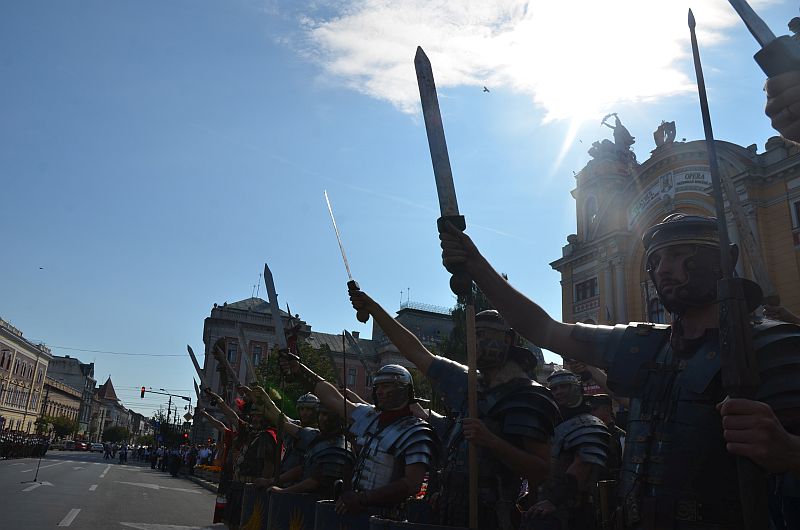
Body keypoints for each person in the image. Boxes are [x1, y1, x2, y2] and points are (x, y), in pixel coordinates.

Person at [439, 213, 800, 529]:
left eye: (678, 254)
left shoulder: (772, 343)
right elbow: (543, 328)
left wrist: (791, 452)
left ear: (724, 259)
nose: (663, 269)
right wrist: (477, 265)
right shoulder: (643, 344)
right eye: (655, 260)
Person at [349, 288, 560, 529]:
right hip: (451, 511)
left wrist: (491, 441)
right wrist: (375, 308)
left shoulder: (527, 395)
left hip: (493, 517)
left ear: (508, 339)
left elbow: (541, 471)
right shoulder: (469, 383)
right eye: (474, 335)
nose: (477, 343)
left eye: (484, 335)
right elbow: (417, 353)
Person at [279, 355, 437, 520]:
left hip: (387, 517)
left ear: (403, 389)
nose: (379, 391)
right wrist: (300, 370)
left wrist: (364, 498)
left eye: (386, 386)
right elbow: (333, 399)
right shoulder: (371, 417)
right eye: (378, 387)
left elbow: (412, 484)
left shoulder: (416, 431)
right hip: (355, 510)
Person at [524, 370, 609, 530]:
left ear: (577, 387)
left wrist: (554, 500)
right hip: (544, 505)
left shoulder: (589, 424)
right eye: (554, 389)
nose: (559, 392)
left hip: (574, 509)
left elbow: (583, 465)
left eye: (564, 386)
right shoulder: (552, 423)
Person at [251, 388, 355, 499]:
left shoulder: (338, 447)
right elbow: (303, 468)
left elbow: (315, 482)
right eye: (320, 414)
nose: (322, 419)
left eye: (326, 415)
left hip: (318, 502)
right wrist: (265, 401)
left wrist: (284, 491)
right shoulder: (315, 436)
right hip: (301, 496)